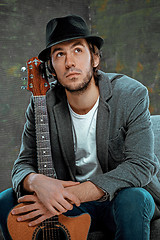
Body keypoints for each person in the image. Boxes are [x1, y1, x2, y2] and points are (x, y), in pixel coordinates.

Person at [0, 14, 160, 240]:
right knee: (6, 201)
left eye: (77, 50)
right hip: (71, 209)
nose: (70, 63)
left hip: (118, 199)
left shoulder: (131, 95)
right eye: (59, 54)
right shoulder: (41, 104)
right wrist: (36, 182)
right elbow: (22, 165)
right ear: (51, 68)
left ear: (94, 58)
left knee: (135, 198)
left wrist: (64, 195)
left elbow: (141, 165)